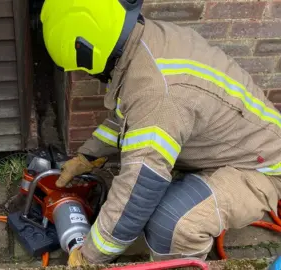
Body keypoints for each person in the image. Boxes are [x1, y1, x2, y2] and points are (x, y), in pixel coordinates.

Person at [40, 0, 281, 266]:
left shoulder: (157, 94)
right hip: (234, 146)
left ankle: (179, 262)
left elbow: (137, 194)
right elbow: (128, 117)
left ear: (89, 52)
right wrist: (88, 155)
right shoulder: (144, 42)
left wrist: (89, 257)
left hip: (260, 169)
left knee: (171, 223)